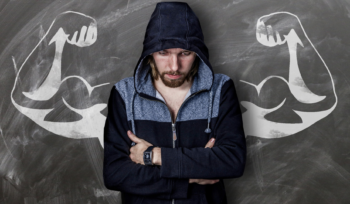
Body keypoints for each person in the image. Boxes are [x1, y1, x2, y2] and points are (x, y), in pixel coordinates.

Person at [103, 2, 246, 204]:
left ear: (197, 53)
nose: (174, 66)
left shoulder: (221, 89)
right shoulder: (124, 94)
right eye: (164, 52)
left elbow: (232, 161)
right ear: (150, 52)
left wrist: (154, 156)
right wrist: (189, 177)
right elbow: (115, 174)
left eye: (185, 53)